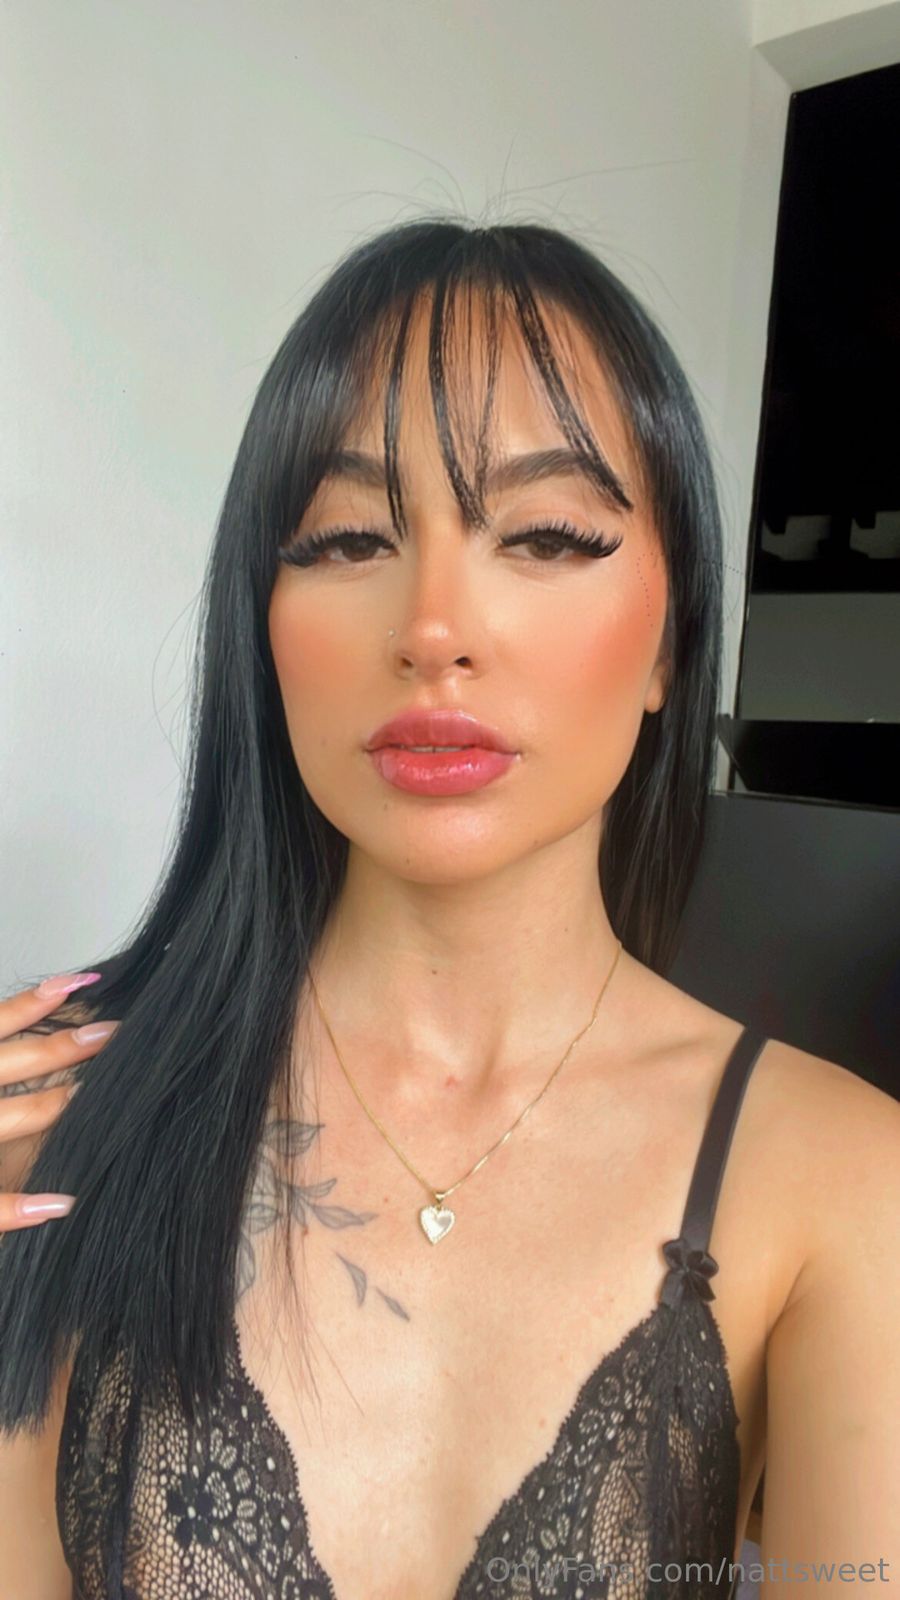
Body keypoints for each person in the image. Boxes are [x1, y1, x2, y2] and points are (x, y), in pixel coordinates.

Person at [0, 218, 897, 1599]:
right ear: (262, 619)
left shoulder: (840, 1176)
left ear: (671, 642)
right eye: (349, 537)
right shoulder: (67, 1120)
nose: (433, 628)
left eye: (547, 535)